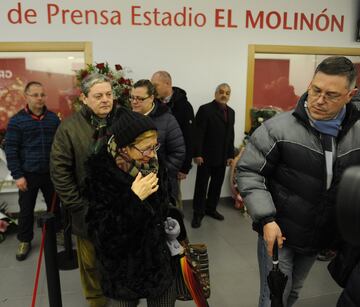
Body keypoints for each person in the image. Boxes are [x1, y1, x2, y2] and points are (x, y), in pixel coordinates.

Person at [236, 56, 360, 307]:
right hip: (280, 231)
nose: (319, 100)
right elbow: (249, 172)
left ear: (350, 95)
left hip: (319, 234)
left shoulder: (357, 133)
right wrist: (266, 219)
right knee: (274, 297)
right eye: (315, 90)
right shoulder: (277, 129)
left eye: (332, 94)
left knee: (294, 291)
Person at [84, 109, 177, 306]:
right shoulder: (101, 174)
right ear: (125, 148)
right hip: (123, 268)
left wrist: (171, 223)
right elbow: (101, 233)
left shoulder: (154, 165)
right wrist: (134, 198)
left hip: (157, 262)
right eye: (146, 148)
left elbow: (163, 207)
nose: (152, 154)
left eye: (154, 147)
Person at [50, 73, 116, 307]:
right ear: (84, 98)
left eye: (109, 94)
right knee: (91, 265)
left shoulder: (122, 121)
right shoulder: (69, 128)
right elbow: (60, 173)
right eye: (98, 96)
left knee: (120, 259)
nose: (105, 100)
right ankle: (97, 301)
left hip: (121, 211)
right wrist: (80, 207)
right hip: (87, 213)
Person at [4, 81, 60, 261]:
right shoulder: (17, 121)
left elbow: (60, 146)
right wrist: (18, 176)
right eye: (35, 95)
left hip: (51, 173)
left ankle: (57, 233)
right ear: (26, 97)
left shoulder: (53, 119)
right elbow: (11, 150)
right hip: (28, 174)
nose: (39, 98)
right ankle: (24, 240)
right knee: (26, 210)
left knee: (54, 207)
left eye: (42, 94)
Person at [130, 79, 185, 206]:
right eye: (132, 97)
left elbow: (178, 152)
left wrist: (161, 173)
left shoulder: (167, 120)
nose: (134, 102)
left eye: (139, 98)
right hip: (135, 185)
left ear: (151, 98)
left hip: (160, 185)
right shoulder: (127, 118)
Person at [191, 83, 235, 228]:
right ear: (215, 93)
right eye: (221, 92)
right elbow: (198, 133)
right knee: (201, 186)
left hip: (222, 156)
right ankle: (198, 213)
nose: (224, 95)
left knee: (216, 185)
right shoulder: (205, 110)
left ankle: (211, 209)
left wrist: (230, 155)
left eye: (227, 93)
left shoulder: (231, 112)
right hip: (206, 156)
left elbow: (230, 135)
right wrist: (197, 153)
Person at [151, 71, 195, 208]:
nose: (152, 88)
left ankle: (177, 225)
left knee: (174, 198)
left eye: (155, 85)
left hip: (175, 164)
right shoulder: (154, 104)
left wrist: (185, 167)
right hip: (157, 163)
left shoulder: (184, 106)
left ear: (167, 83)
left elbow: (189, 137)